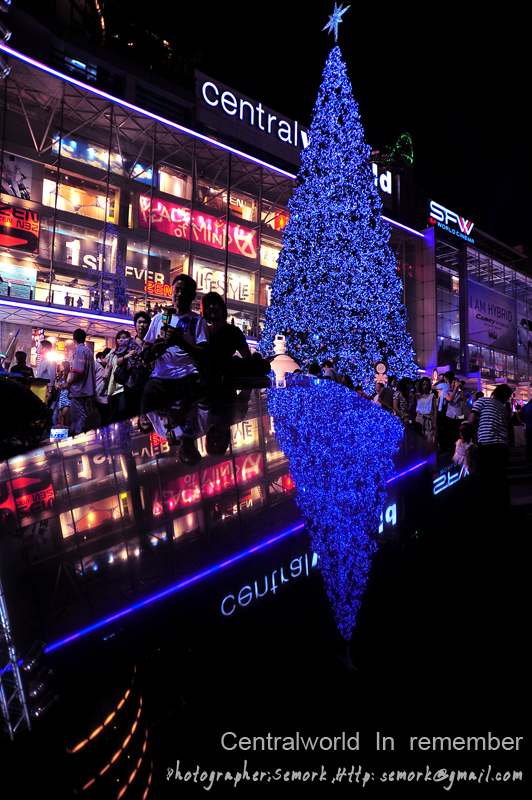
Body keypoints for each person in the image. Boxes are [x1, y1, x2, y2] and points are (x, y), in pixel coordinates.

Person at [141, 275, 209, 415]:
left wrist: (181, 342)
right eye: (177, 290)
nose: (179, 294)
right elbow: (145, 351)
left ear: (193, 296)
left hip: (186, 381)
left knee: (182, 423)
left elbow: (204, 353)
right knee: (150, 417)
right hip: (158, 380)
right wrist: (154, 348)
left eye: (184, 291)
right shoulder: (159, 318)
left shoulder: (198, 321)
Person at [468, 384, 513, 509]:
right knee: (500, 479)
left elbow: (471, 421)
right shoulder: (504, 410)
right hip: (503, 447)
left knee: (483, 477)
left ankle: (484, 508)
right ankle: (502, 507)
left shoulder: (482, 401)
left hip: (487, 444)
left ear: (494, 392)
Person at [201, 291, 250, 381]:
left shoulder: (233, 332)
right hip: (203, 380)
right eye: (208, 305)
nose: (211, 307)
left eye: (215, 303)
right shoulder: (203, 331)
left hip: (225, 381)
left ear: (221, 306)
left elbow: (247, 357)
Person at [115, 311, 152, 417]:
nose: (142, 325)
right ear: (135, 326)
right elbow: (117, 361)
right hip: (129, 385)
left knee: (145, 414)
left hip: (146, 386)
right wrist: (127, 356)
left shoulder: (152, 344)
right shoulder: (127, 342)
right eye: (139, 322)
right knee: (130, 414)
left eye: (144, 322)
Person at [67, 328, 96, 435]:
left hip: (78, 390)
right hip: (86, 390)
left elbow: (79, 372)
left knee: (78, 418)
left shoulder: (79, 351)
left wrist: (68, 382)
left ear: (74, 339)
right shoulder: (88, 351)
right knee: (81, 416)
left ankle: (79, 439)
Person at [105, 330, 131, 422]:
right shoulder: (114, 353)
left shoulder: (129, 352)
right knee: (113, 413)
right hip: (113, 386)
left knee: (122, 411)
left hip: (124, 386)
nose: (121, 340)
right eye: (119, 338)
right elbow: (106, 362)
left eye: (123, 338)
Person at [413, 376, 437, 441]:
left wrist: (435, 422)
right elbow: (414, 408)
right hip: (419, 418)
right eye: (424, 385)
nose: (425, 386)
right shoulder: (416, 395)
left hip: (429, 419)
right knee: (419, 439)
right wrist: (413, 418)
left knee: (429, 439)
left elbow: (435, 409)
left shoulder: (432, 395)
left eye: (427, 385)